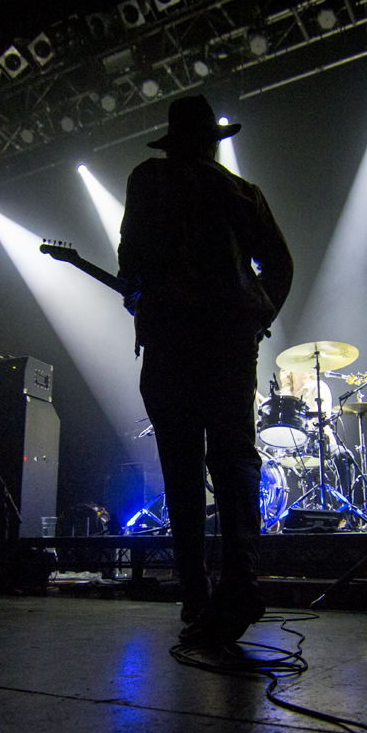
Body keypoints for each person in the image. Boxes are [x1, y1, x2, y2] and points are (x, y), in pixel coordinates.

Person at [117, 95, 293, 645]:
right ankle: (241, 584)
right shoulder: (244, 193)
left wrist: (139, 294)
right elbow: (281, 267)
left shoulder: (149, 180)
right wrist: (257, 320)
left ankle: (195, 596)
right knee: (236, 458)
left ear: (172, 141)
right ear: (214, 142)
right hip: (230, 342)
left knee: (182, 468)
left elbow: (131, 263)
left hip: (172, 342)